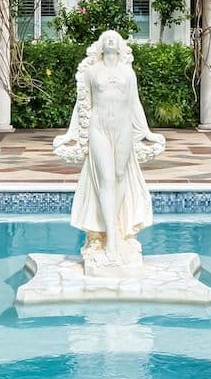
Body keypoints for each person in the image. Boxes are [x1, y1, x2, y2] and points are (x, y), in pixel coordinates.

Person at [54, 30, 165, 271]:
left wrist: (147, 132)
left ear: (121, 46)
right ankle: (111, 240)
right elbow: (82, 105)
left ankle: (118, 229)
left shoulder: (128, 73)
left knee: (120, 176)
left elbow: (135, 104)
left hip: (123, 129)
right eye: (107, 37)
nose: (111, 38)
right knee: (105, 179)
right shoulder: (92, 72)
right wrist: (71, 134)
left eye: (115, 36)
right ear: (101, 46)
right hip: (99, 129)